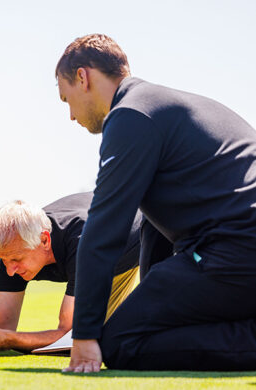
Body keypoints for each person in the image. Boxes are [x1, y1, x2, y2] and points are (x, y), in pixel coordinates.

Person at [57, 34, 256, 372]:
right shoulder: (161, 105)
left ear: (82, 77)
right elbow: (154, 225)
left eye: (66, 100)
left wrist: (86, 335)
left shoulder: (131, 115)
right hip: (236, 252)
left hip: (233, 252)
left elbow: (104, 228)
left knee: (120, 343)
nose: (72, 116)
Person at [0, 193, 144, 355]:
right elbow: (2, 324)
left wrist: (7, 341)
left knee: (106, 340)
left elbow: (67, 334)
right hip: (94, 230)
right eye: (4, 260)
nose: (10, 270)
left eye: (16, 259)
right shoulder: (9, 252)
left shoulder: (83, 246)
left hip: (128, 240)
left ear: (44, 240)